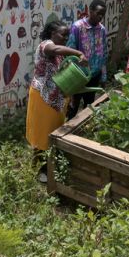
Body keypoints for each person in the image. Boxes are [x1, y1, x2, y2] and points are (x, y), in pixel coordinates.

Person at [26, 21, 87, 177]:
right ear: (52, 34)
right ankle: (41, 169)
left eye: (67, 35)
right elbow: (56, 48)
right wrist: (78, 53)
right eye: (63, 34)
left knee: (53, 131)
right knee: (43, 132)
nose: (66, 38)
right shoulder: (45, 46)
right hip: (42, 97)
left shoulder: (59, 54)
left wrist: (71, 96)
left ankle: (46, 166)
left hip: (56, 99)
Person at [66, 0, 108, 119]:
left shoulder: (102, 29)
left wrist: (104, 76)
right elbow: (70, 51)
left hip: (94, 75)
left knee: (89, 106)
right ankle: (66, 131)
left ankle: (84, 130)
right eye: (98, 13)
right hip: (79, 76)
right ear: (90, 11)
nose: (100, 17)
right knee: (73, 107)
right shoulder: (77, 27)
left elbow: (104, 54)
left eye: (102, 15)